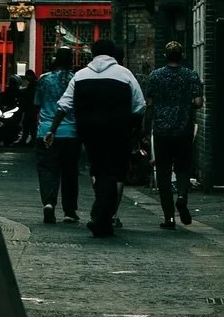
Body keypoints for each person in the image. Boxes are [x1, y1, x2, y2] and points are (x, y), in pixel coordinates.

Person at [47, 37, 144, 238]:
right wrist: (134, 130)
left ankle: (103, 218)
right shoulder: (125, 74)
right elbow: (139, 105)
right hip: (118, 131)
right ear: (113, 54)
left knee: (98, 169)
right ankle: (101, 215)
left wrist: (52, 129)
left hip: (88, 131)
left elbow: (64, 105)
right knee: (114, 172)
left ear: (92, 54)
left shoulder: (81, 75)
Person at [143, 40, 204, 229]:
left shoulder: (155, 76)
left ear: (165, 56)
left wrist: (145, 131)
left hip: (161, 130)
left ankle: (169, 217)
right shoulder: (191, 75)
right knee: (183, 167)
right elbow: (198, 102)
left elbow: (150, 104)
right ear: (182, 56)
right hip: (183, 128)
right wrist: (185, 104)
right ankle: (182, 196)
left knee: (163, 172)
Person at [34, 51, 80, 223]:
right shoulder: (75, 79)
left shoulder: (44, 79)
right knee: (70, 172)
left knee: (47, 169)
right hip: (70, 132)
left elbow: (37, 104)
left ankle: (48, 203)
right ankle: (69, 211)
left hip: (46, 130)